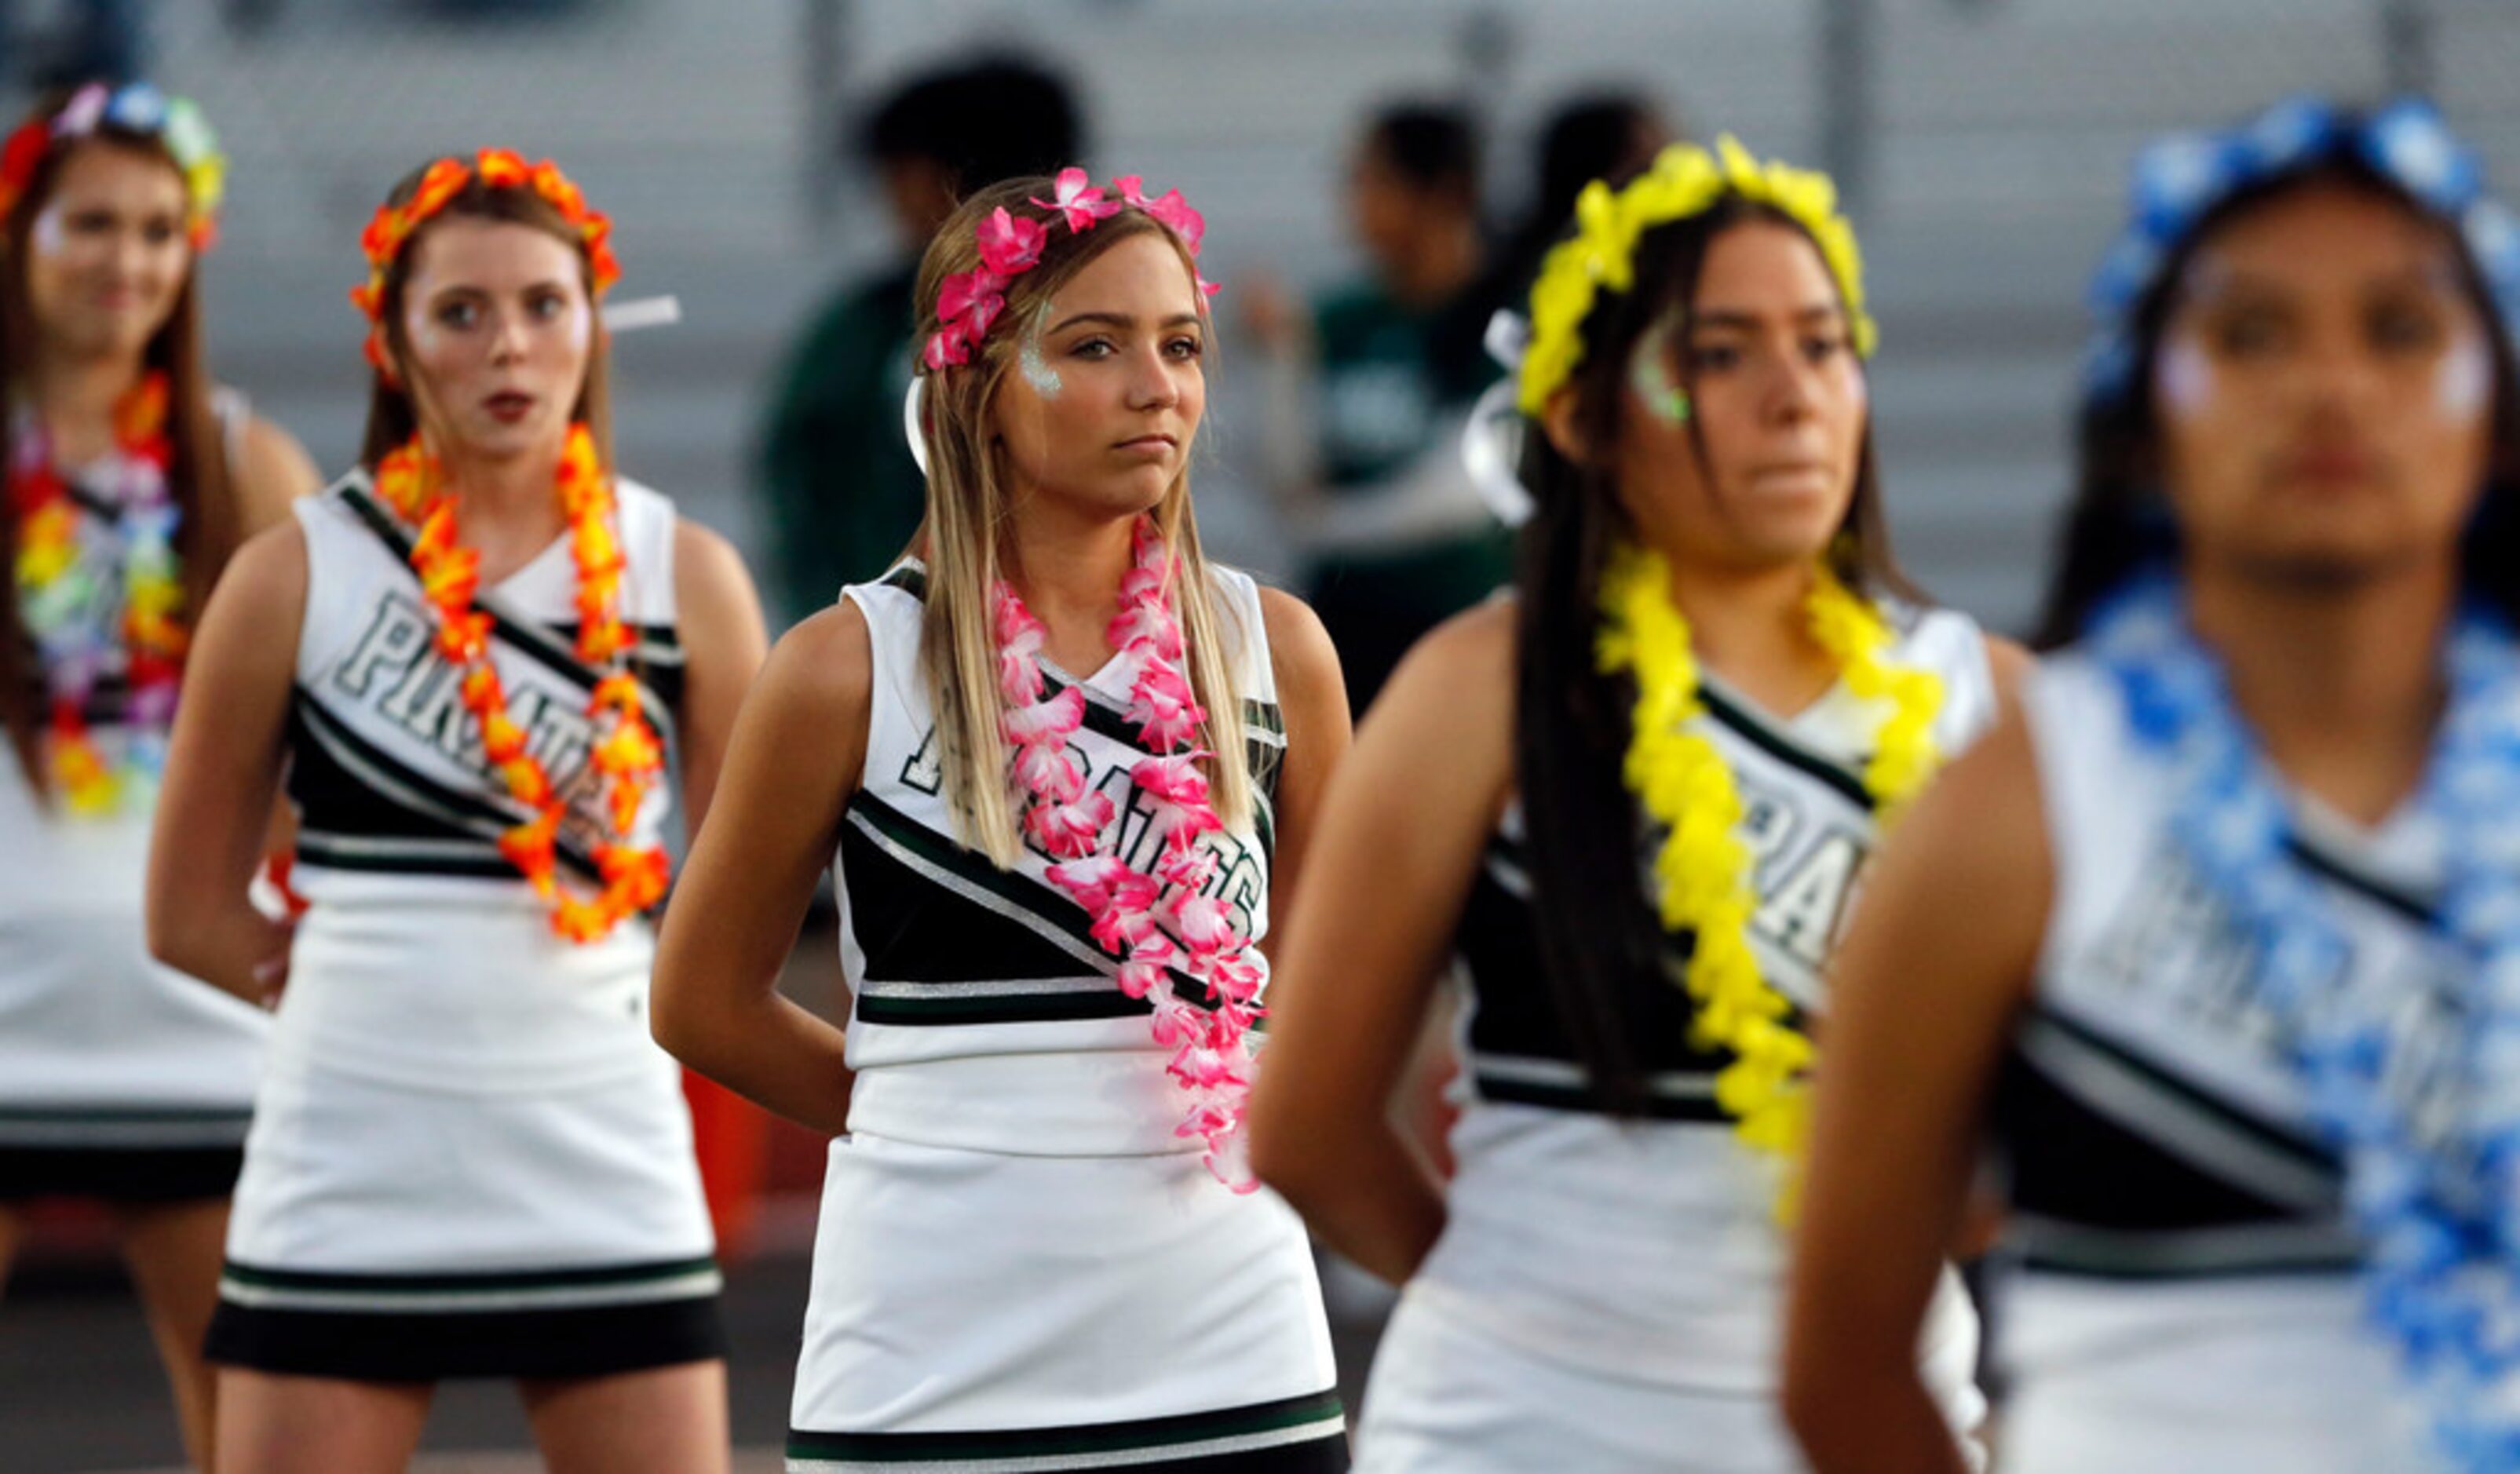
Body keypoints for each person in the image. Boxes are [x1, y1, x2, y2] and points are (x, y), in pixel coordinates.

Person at [1250, 137, 2028, 1472]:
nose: (1792, 396)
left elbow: (2035, 1155)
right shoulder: (1485, 685)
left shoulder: (1996, 704)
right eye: (1720, 354)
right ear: (1580, 413)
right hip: (1525, 1423)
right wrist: (1517, 1308)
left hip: (1877, 1421)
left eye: (1825, 344)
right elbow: (1308, 1119)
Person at [1782, 97, 2520, 1474]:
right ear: (2143, 418)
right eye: (2250, 334)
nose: (2330, 385)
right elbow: (1843, 1361)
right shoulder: (2014, 809)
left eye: (2401, 329)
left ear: (2498, 409)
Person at [654, 169, 1353, 1471]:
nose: (1159, 385)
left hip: (1237, 1341)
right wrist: (927, 1109)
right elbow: (700, 999)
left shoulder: (1279, 655)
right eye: (1095, 345)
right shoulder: (844, 665)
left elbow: (1330, 997)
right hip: (930, 1350)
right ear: (973, 384)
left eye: (1181, 345)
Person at [146, 147, 768, 1473]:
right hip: (346, 1146)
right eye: (462, 311)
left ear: (595, 322)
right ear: (393, 339)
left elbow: (748, 894)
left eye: (546, 304)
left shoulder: (687, 575)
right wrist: (366, 996)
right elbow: (186, 909)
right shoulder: (294, 570)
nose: (511, 346)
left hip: (603, 1141)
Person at [0, 80, 317, 1472]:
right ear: (20, 233)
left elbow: (327, 748)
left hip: (191, 1015)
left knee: (245, 1428)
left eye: (157, 228)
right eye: (90, 224)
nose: (124, 259)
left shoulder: (243, 460)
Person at [755, 56, 1081, 626]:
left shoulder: (1093, 318)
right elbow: (802, 490)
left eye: (901, 174)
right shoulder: (865, 330)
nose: (891, 199)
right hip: (895, 642)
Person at [1248, 101, 1511, 713]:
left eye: (1369, 177)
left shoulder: (1503, 316)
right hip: (1347, 632)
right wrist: (1282, 359)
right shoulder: (1340, 319)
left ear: (1441, 193)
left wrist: (1328, 526)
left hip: (1461, 631)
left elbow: (1462, 494)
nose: (1351, 196)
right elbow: (1289, 477)